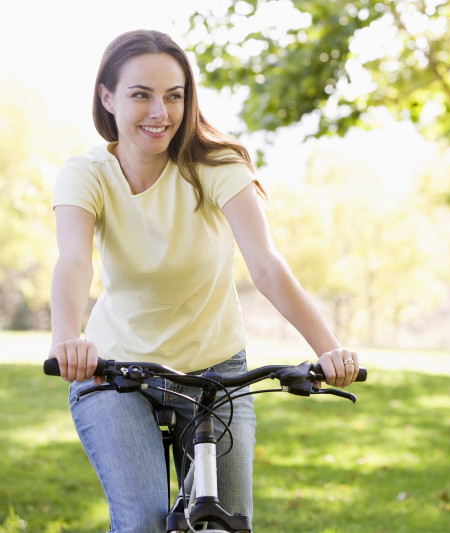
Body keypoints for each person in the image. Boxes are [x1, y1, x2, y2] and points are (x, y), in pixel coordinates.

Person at [48, 29, 360, 532]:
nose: (160, 112)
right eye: (140, 95)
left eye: (174, 95)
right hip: (115, 371)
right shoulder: (86, 173)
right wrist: (68, 338)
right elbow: (73, 262)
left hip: (214, 373)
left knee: (227, 523)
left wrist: (329, 348)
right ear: (107, 97)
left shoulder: (215, 165)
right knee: (143, 520)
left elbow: (266, 265)